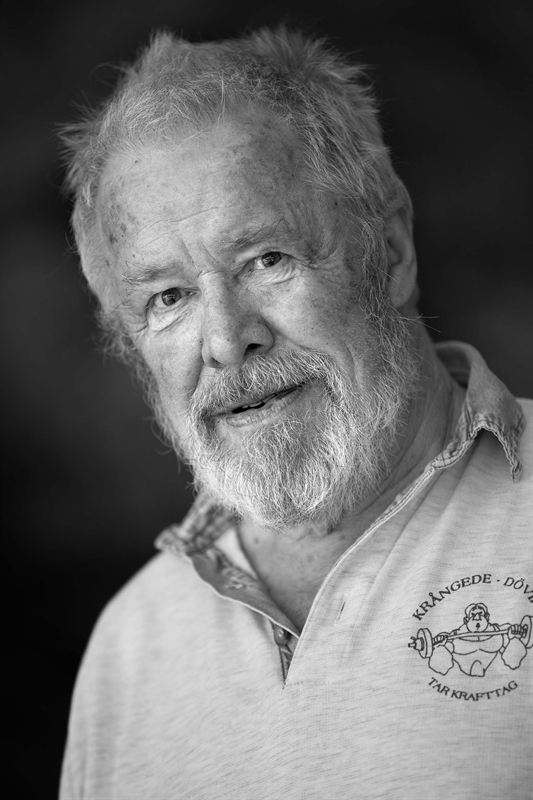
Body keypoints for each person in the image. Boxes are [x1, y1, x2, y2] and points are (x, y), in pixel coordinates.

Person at [59, 27, 532, 800]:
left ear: (390, 248)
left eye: (266, 259)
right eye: (168, 298)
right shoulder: (127, 649)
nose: (226, 341)